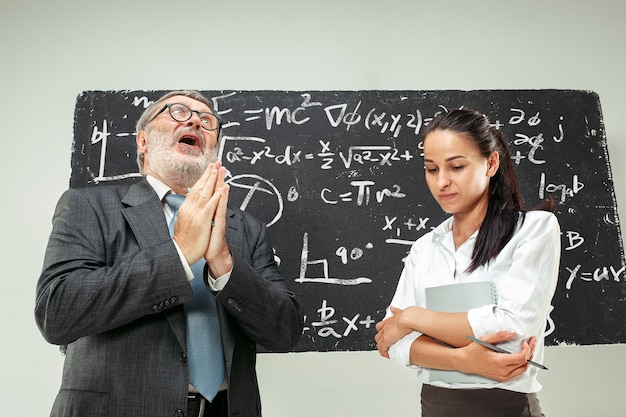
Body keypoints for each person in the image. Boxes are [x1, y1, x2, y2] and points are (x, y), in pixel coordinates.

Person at [35, 90, 304, 417]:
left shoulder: (246, 228)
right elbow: (57, 312)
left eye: (207, 121)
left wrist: (224, 265)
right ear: (143, 140)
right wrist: (177, 254)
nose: (194, 120)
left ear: (213, 149)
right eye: (177, 112)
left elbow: (286, 332)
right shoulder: (88, 206)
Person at [374, 108, 560, 416]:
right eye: (431, 169)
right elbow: (391, 343)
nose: (442, 182)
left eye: (456, 166)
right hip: (434, 409)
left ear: (491, 163)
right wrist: (464, 359)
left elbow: (510, 332)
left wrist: (412, 318)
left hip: (507, 408)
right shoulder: (424, 249)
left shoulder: (534, 230)